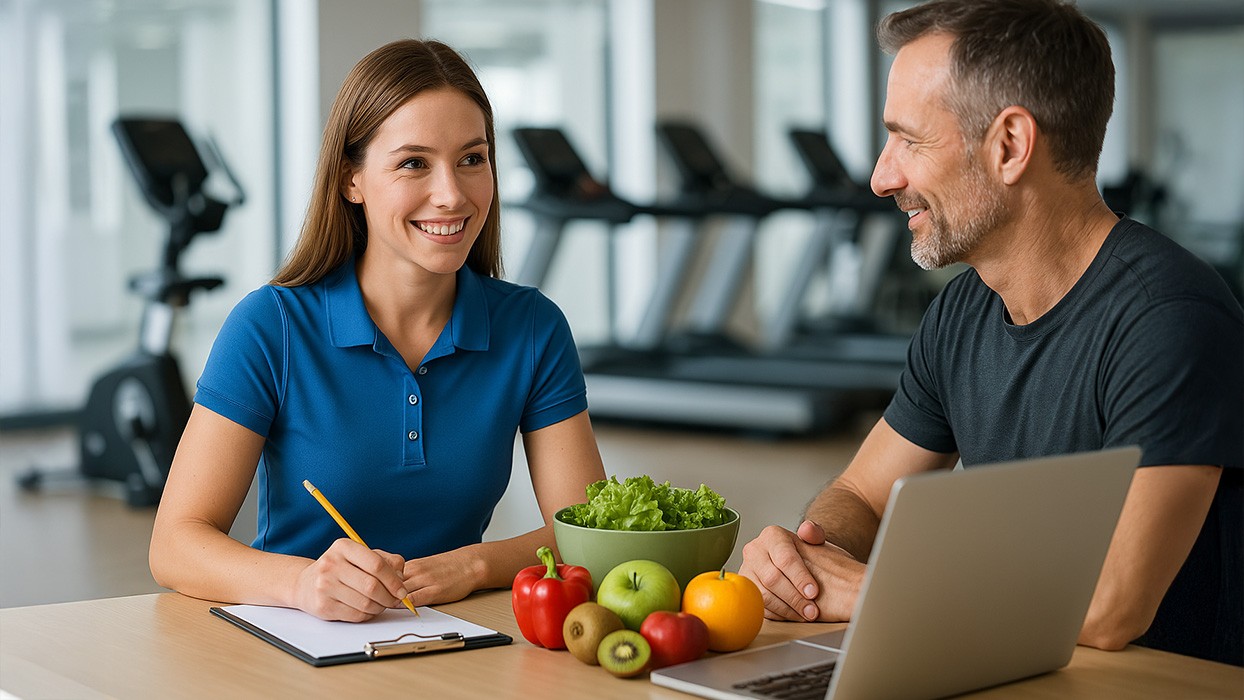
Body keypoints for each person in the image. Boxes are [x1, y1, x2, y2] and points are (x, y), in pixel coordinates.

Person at [740, 0, 1243, 667]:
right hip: (1011, 666)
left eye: (909, 140)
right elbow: (862, 493)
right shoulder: (962, 313)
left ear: (1009, 146)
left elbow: (1114, 605)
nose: (882, 177)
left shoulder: (1171, 317)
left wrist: (871, 589)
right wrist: (814, 555)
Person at [149, 39, 607, 622]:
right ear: (351, 180)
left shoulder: (533, 327)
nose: (452, 194)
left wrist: (473, 565)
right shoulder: (272, 326)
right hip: (297, 642)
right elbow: (174, 545)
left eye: (472, 158)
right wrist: (303, 583)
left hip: (453, 637)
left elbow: (589, 533)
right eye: (414, 163)